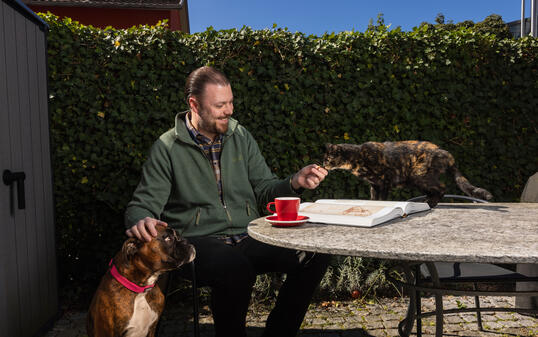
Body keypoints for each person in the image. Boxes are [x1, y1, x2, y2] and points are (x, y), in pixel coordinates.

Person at [125, 66, 330, 337]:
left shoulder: (240, 136)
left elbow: (264, 188)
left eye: (231, 102)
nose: (229, 110)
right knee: (234, 267)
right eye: (220, 105)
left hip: (248, 235)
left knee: (314, 254)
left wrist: (294, 182)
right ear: (194, 104)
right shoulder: (167, 147)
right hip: (196, 242)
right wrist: (140, 220)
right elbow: (143, 203)